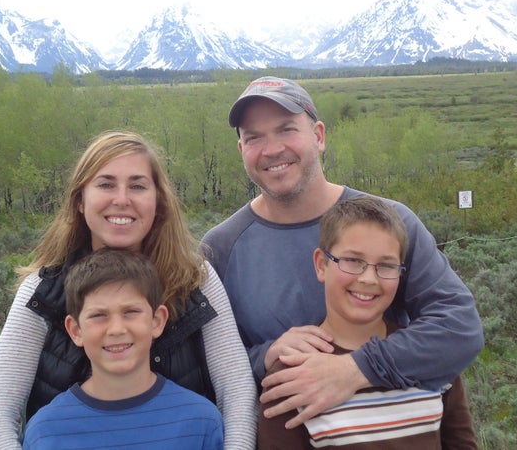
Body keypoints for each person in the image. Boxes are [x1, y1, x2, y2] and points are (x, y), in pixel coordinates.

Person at [201, 76, 484, 429]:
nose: (272, 149)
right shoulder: (220, 249)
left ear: (318, 136)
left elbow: (460, 328)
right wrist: (265, 356)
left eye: (286, 129)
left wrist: (354, 369)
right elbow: (204, 369)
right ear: (242, 150)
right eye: (254, 137)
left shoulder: (390, 223)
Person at [0, 131, 257, 450]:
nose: (122, 199)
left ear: (158, 201)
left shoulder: (194, 279)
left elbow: (236, 393)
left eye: (137, 185)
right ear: (80, 200)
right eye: (106, 184)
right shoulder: (44, 289)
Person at [257, 196, 477, 449]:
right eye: (353, 261)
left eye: (386, 265)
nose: (369, 278)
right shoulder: (291, 376)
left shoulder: (432, 355)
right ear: (321, 265)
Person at [22, 247, 224, 449]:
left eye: (131, 311)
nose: (116, 329)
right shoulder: (45, 431)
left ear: (157, 321)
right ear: (75, 330)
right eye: (98, 315)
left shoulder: (200, 422)